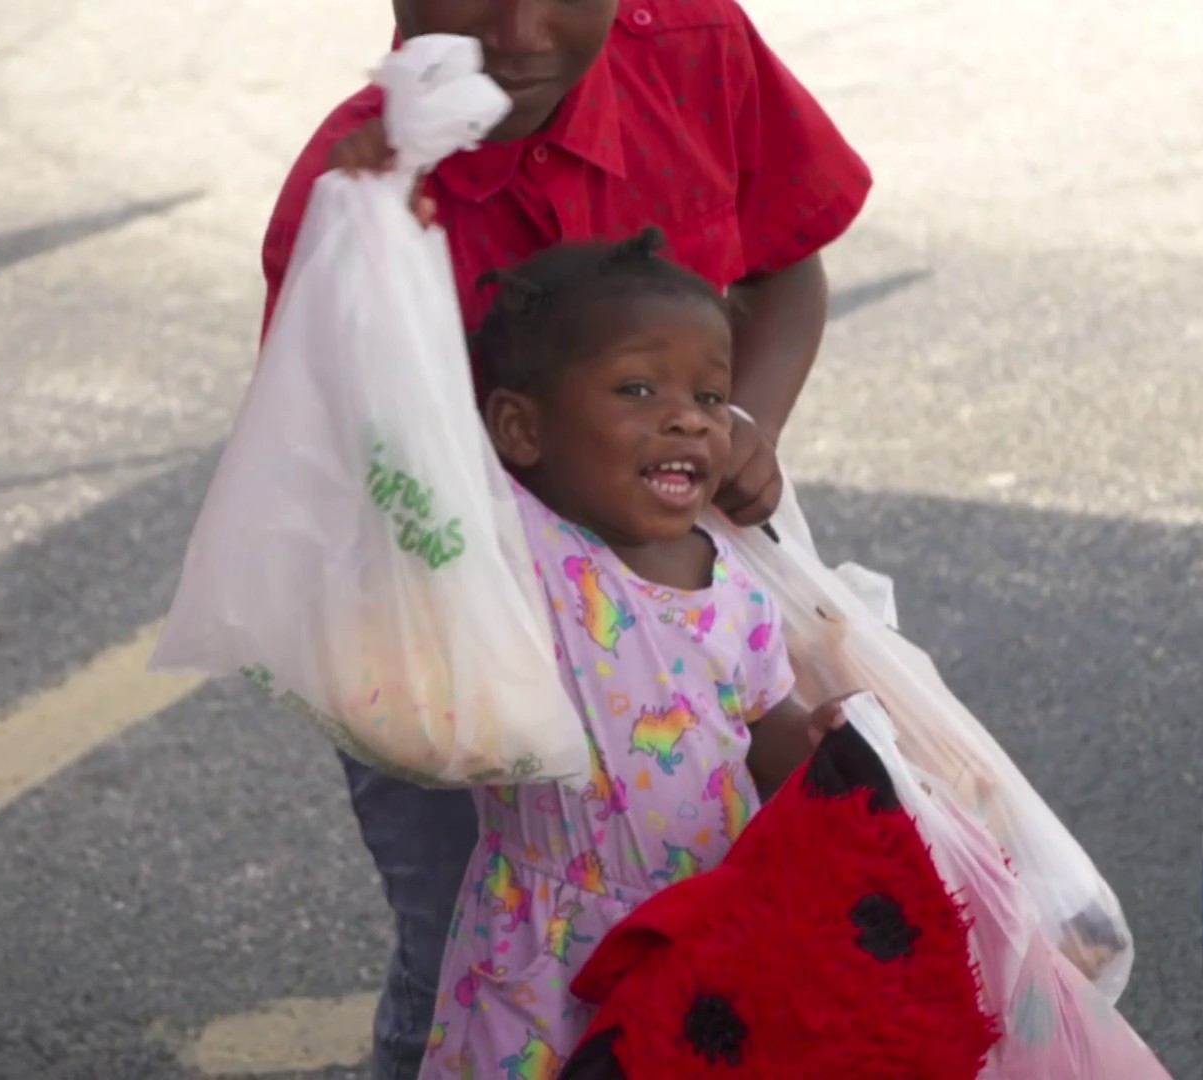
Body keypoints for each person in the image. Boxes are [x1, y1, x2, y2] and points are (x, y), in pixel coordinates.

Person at [263, 5, 870, 1073]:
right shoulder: (356, 190)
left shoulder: (696, 48)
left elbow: (787, 265)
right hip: (449, 679)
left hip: (682, 844)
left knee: (699, 993)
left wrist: (748, 428)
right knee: (447, 965)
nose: (524, 30)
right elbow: (335, 466)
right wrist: (366, 233)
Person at [421, 229, 854, 1076]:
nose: (687, 415)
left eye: (709, 394)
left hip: (703, 942)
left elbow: (761, 721)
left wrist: (820, 750)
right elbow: (396, 428)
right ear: (520, 428)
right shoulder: (524, 551)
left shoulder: (734, 577)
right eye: (637, 387)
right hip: (545, 961)